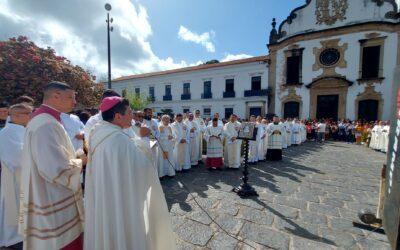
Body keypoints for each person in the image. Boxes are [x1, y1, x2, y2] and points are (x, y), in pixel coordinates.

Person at [84, 97, 175, 250]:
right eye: (129, 112)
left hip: (105, 194)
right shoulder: (118, 138)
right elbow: (142, 167)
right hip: (121, 197)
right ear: (118, 116)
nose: (132, 116)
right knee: (123, 225)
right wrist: (144, 138)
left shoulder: (98, 132)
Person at [19, 81, 85, 249]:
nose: (74, 102)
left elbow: (55, 156)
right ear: (56, 96)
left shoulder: (46, 119)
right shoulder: (46, 123)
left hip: (47, 190)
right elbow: (55, 169)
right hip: (51, 195)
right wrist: (83, 161)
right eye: (71, 97)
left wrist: (76, 155)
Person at [0, 103, 32, 250]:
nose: (31, 116)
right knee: (13, 209)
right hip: (14, 178)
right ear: (16, 116)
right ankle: (13, 238)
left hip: (25, 177)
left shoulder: (22, 129)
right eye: (28, 113)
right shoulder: (7, 133)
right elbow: (16, 158)